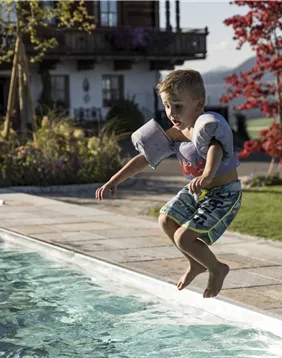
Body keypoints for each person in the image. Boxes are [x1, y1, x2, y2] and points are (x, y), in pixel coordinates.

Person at [96, 69, 242, 298]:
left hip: (223, 192)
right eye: (167, 105)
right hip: (198, 189)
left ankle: (217, 268)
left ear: (198, 103)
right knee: (165, 220)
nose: (171, 112)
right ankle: (196, 264)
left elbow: (216, 148)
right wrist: (114, 181)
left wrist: (207, 174)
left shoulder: (205, 128)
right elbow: (144, 158)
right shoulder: (175, 133)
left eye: (178, 106)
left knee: (183, 237)